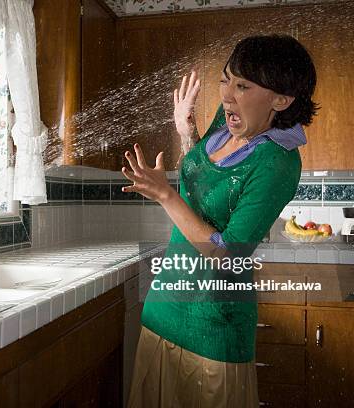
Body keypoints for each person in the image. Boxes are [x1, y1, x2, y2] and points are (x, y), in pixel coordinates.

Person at [123, 34, 318, 408]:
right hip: (163, 309)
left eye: (242, 85)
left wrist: (166, 195)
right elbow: (202, 185)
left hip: (213, 327)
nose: (227, 94)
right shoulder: (226, 121)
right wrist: (186, 132)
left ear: (281, 99)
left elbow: (228, 258)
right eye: (226, 79)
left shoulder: (277, 163)